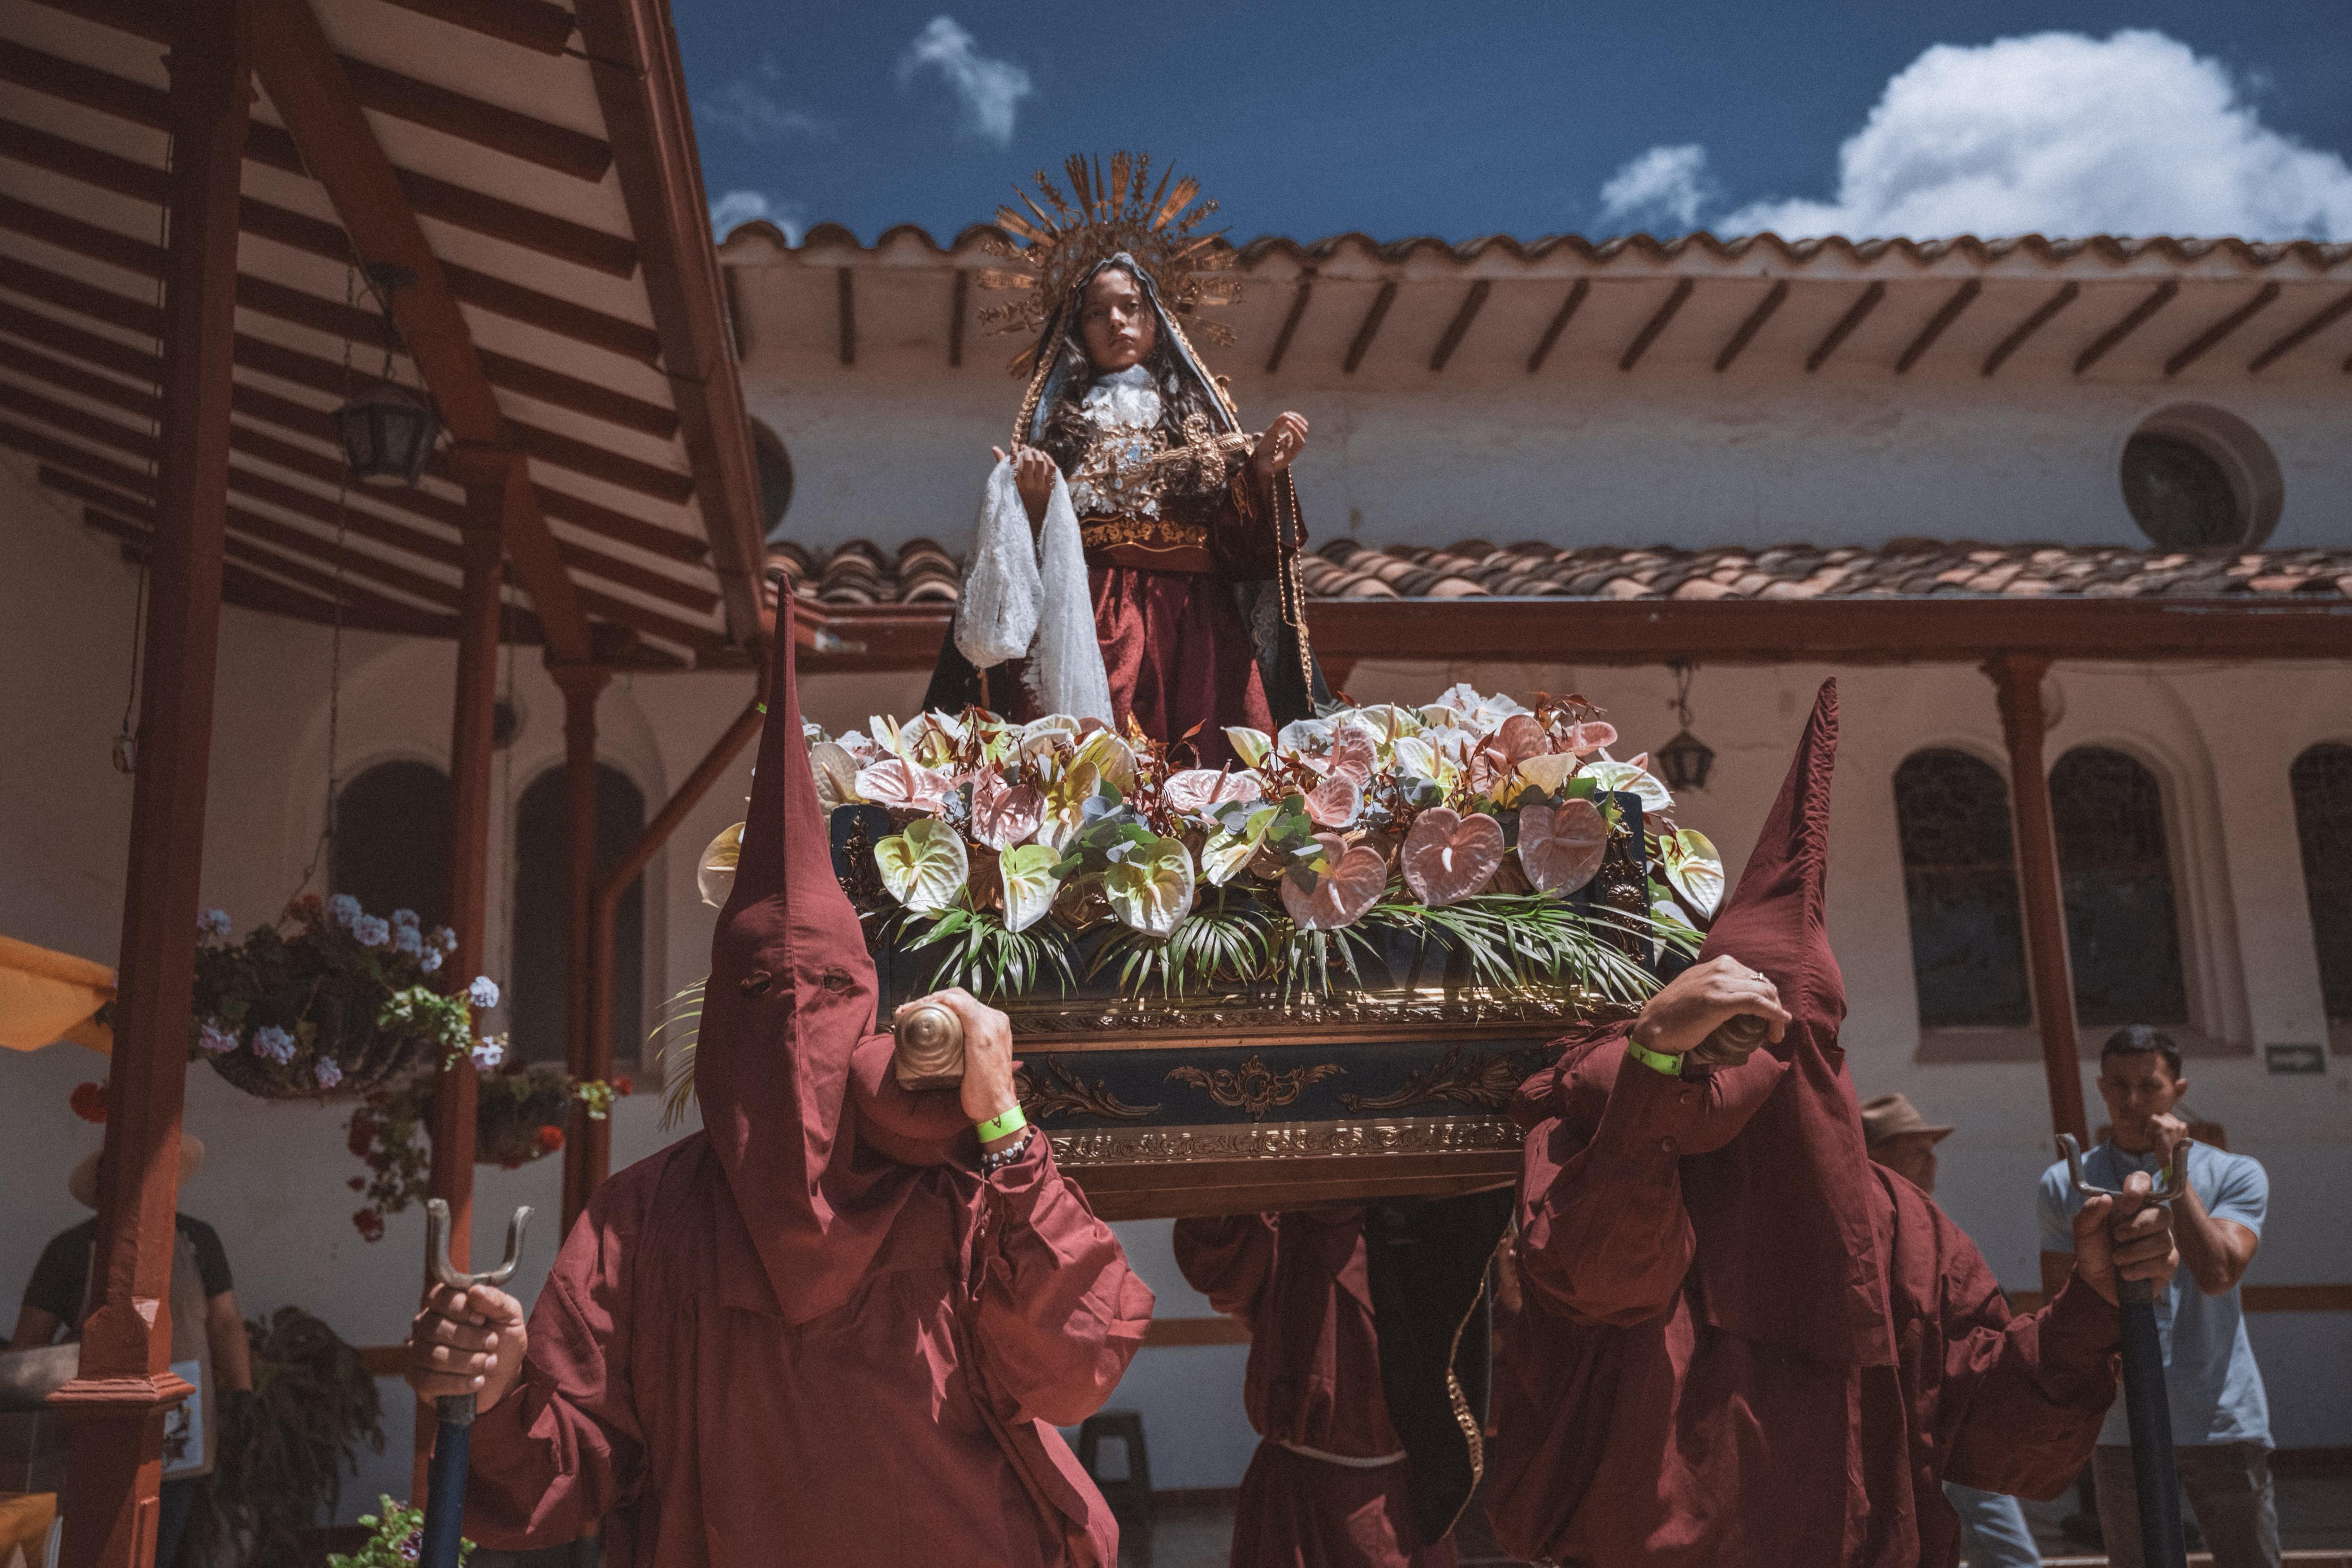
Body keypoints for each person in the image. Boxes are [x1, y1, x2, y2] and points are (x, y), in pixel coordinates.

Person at [405, 600, 1155, 1567]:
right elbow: (562, 1471)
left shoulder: (963, 1189)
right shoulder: (643, 1224)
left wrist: (1002, 1125)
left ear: (874, 1013)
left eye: (832, 989)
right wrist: (498, 1385)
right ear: (724, 1014)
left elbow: (1072, 1366)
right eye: (762, 990)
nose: (796, 1023)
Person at [1486, 682, 2180, 1568]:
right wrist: (1654, 1066)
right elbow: (1602, 1276)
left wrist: (2091, 1299)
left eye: (1816, 1049)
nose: (1788, 1079)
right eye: (1753, 1045)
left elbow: (1996, 1434)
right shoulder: (1616, 1163)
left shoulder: (1904, 1232)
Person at [926, 154, 1324, 764]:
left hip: (1196, 624)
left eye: (1131, 306)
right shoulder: (1059, 427)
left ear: (1156, 321)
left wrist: (1261, 473)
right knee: (1092, 771)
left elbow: (1238, 552)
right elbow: (1021, 562)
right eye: (1096, 311)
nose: (1116, 320)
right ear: (1076, 329)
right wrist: (1028, 504)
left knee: (1206, 773)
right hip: (1089, 618)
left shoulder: (1200, 417)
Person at [2038, 1026, 2277, 1568]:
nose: (2132, 1102)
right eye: (2118, 1087)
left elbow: (2218, 1272)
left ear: (2179, 1090)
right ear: (2100, 1089)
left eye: (2149, 1086)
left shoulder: (2235, 1173)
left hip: (2218, 1414)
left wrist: (2175, 1171)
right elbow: (2062, 1299)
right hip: (2122, 1424)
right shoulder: (2068, 1181)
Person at [11, 1137, 252, 1568]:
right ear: (103, 1186)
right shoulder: (70, 1249)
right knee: (94, 1543)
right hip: (92, 1418)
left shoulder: (198, 1240)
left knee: (164, 1540)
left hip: (185, 1417)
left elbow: (226, 1322)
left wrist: (243, 1392)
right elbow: (31, 1339)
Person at [1173, 1210, 1456, 1568]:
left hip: (1398, 1496)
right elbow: (1221, 1264)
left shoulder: (1418, 1211)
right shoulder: (1286, 1215)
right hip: (1297, 1498)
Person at [1862, 1092, 2042, 1568]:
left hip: (1950, 1400)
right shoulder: (1871, 1229)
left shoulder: (1925, 1226)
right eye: (1916, 1149)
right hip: (1919, 1409)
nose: (1932, 1161)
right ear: (1877, 1158)